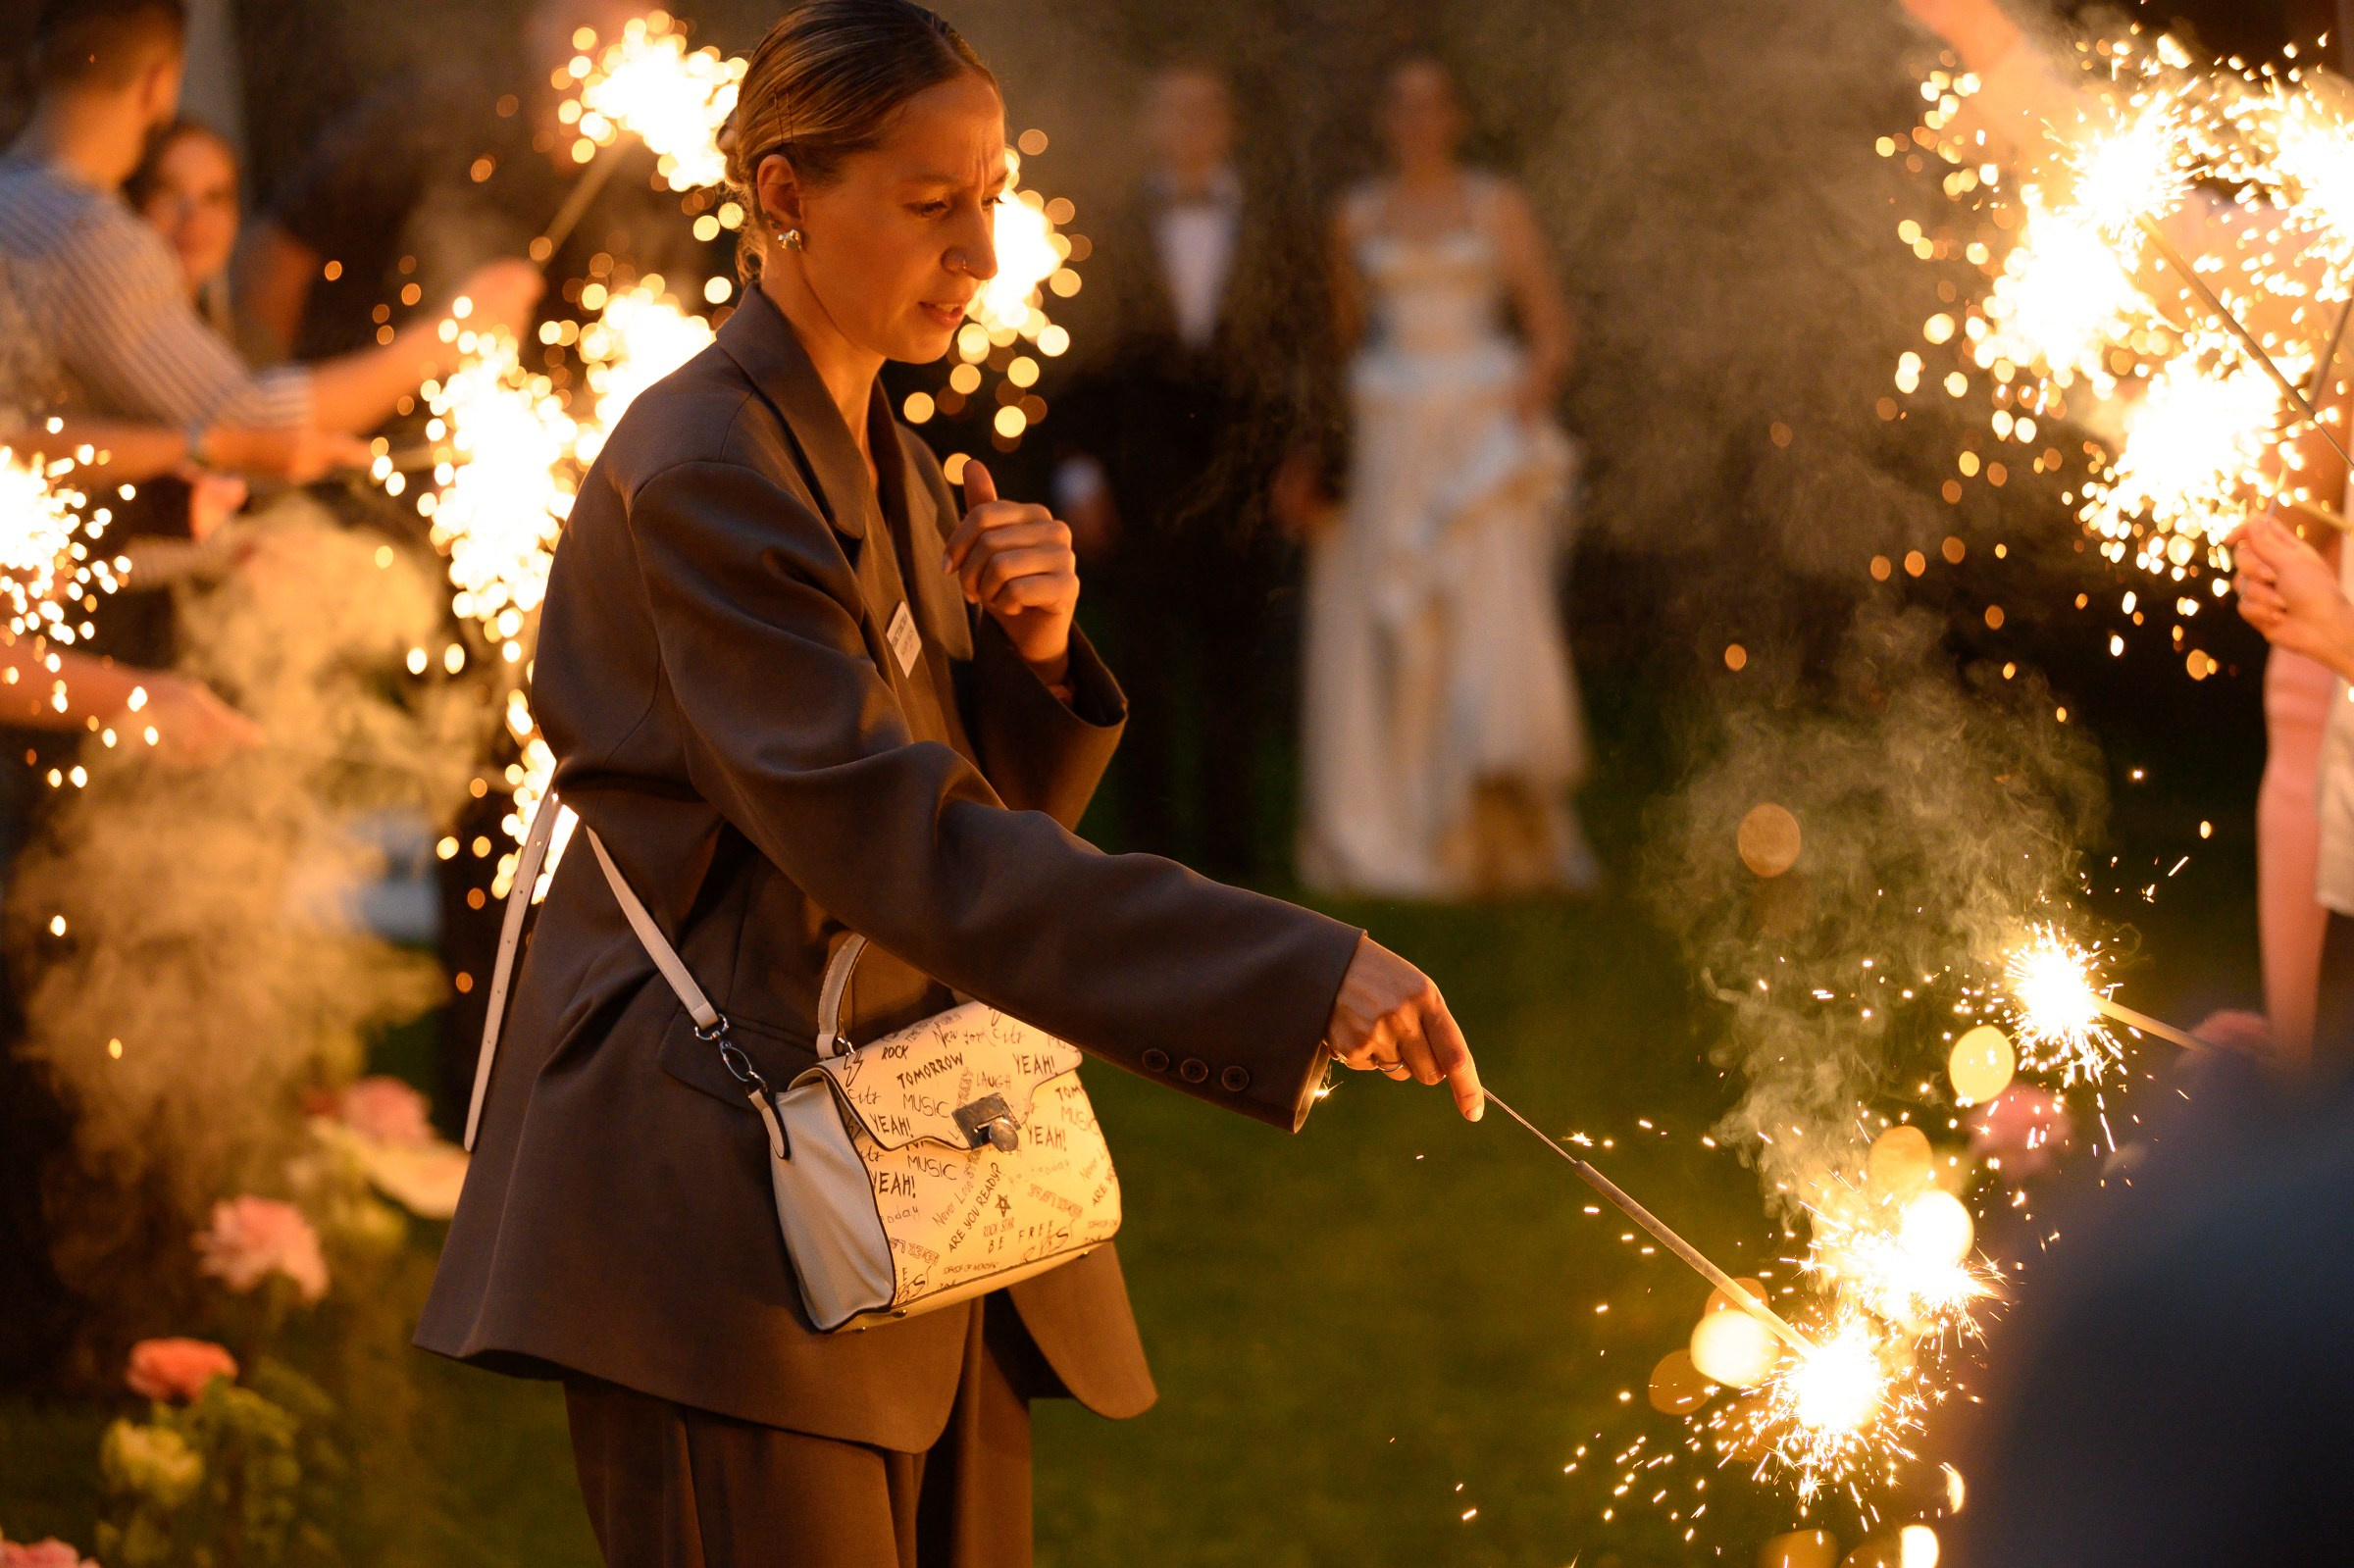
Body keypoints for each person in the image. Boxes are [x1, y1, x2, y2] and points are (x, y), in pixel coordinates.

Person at [417, 6, 1484, 1563]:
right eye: (930, 204)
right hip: (730, 1218)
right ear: (783, 195)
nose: (982, 253)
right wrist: (1290, 971)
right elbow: (902, 846)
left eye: (990, 193)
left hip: (912, 1190)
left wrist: (1036, 667)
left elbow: (960, 819)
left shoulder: (887, 449)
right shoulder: (710, 463)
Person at [0, 0, 540, 473]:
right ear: (158, 84)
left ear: (38, 62)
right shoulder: (87, 237)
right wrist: (450, 334)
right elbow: (247, 420)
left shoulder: (14, 199)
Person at [1299, 55, 1594, 899]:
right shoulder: (1352, 218)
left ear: (1456, 116)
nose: (1418, 120)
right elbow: (1342, 341)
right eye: (1403, 104)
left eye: (1434, 104)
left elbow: (1552, 337)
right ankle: (1394, 818)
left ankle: (1488, 829)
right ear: (1386, 118)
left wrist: (1512, 425)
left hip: (1478, 437)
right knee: (1395, 621)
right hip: (1391, 434)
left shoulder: (1497, 204)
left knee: (1483, 622)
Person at [1047, 64, 1321, 881]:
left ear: (1227, 123)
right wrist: (1077, 474)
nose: (1190, 126)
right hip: (1139, 482)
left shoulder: (1276, 225)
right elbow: (1075, 354)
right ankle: (1147, 860)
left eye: (1204, 111)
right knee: (1142, 677)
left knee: (1237, 674)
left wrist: (1305, 457)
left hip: (1246, 481)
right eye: (1174, 111)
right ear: (1152, 125)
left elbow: (1306, 344)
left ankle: (1234, 861)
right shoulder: (1109, 224)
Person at [235, 0, 725, 367]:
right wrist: (268, 425)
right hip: (369, 453)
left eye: (633, 39)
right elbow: (278, 247)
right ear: (536, 26)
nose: (607, 57)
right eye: (586, 29)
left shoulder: (658, 172)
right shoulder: (429, 121)